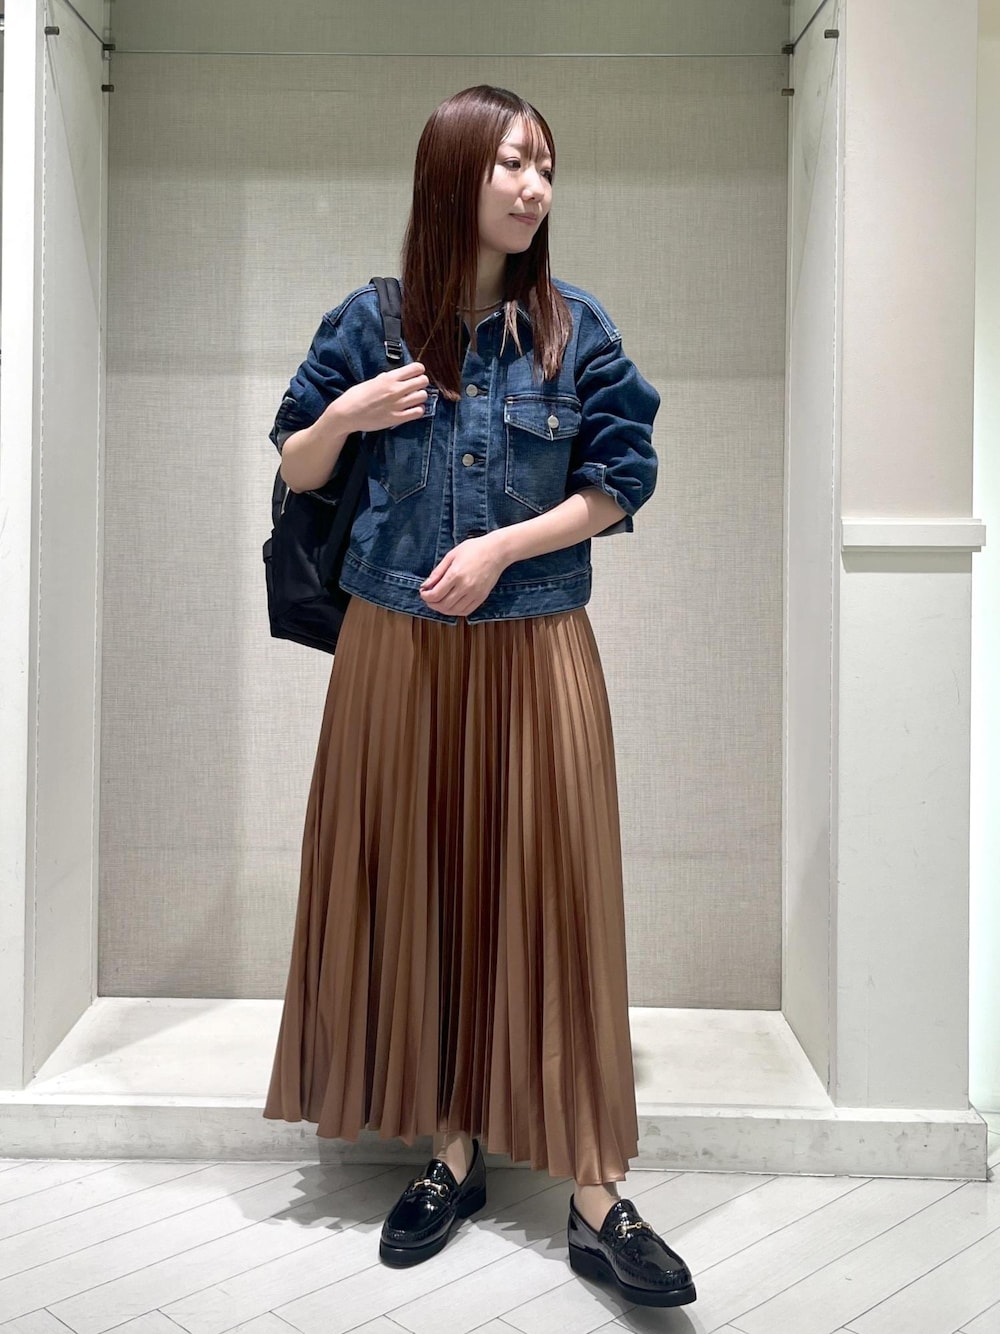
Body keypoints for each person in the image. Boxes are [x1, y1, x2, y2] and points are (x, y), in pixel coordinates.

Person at [262, 84, 696, 1308]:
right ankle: (451, 1151)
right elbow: (296, 459)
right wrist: (348, 411)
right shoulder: (371, 322)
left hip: (535, 640)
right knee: (423, 879)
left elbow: (622, 474)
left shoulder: (574, 328)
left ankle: (596, 1193)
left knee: (556, 892)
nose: (532, 186)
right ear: (452, 173)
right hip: (395, 650)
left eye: (544, 164)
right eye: (511, 161)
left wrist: (505, 546)